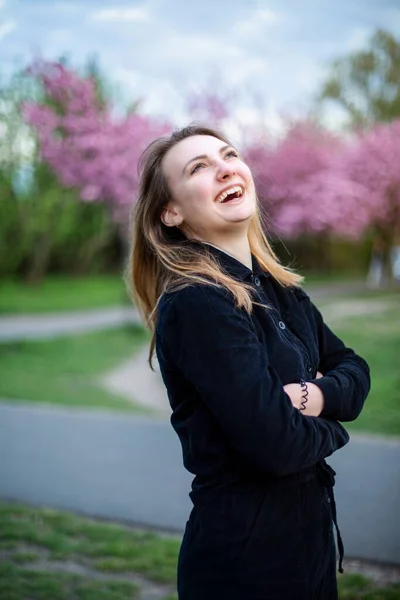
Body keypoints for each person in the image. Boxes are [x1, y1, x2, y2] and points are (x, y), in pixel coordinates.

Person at [127, 125, 370, 600]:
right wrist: (337, 427)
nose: (224, 168)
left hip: (309, 549)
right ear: (171, 212)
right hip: (246, 565)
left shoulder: (281, 288)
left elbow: (354, 369)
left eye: (228, 155)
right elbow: (275, 445)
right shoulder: (197, 303)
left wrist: (311, 396)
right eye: (199, 168)